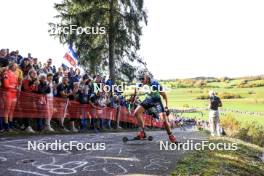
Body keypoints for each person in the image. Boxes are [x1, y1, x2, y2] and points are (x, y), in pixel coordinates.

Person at [133, 70, 177, 143]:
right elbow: (137, 88)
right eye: (140, 79)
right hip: (149, 99)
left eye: (142, 79)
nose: (141, 81)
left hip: (157, 101)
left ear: (146, 77)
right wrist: (135, 97)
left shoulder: (154, 83)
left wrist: (166, 107)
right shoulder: (141, 82)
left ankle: (171, 136)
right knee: (136, 113)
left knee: (163, 119)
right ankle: (143, 132)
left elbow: (164, 95)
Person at [1, 63, 19, 131]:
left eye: (16, 66)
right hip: (7, 93)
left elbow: (16, 85)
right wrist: (13, 87)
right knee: (7, 110)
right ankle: (6, 126)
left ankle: (10, 125)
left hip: (14, 94)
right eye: (15, 66)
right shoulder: (6, 73)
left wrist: (15, 87)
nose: (16, 67)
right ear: (11, 66)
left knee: (12, 110)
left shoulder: (15, 75)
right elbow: (5, 84)